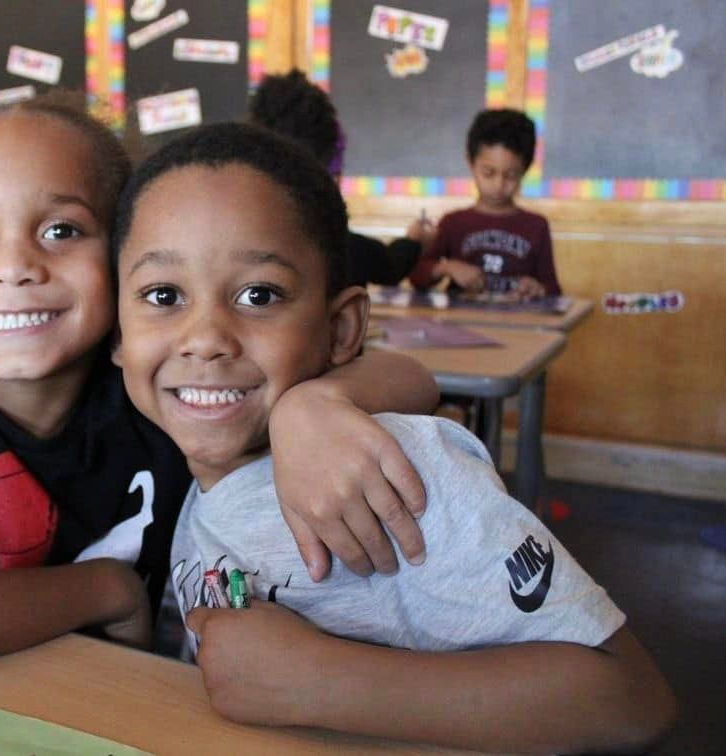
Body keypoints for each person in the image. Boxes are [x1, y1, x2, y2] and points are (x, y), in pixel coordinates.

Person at [0, 93, 440, 681]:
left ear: (122, 262)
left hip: (109, 702)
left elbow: (414, 379)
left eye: (61, 230)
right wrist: (106, 589)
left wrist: (315, 406)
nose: (14, 268)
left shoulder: (157, 384)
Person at [110, 121, 676, 752]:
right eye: (163, 295)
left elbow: (630, 699)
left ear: (341, 329)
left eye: (258, 294)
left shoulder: (397, 473)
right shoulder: (174, 464)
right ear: (117, 334)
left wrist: (323, 682)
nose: (206, 338)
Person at [249, 69, 430, 286]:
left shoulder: (240, 244)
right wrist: (414, 240)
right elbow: (389, 266)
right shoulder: (342, 246)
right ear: (330, 174)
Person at [409, 108, 561, 299]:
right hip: (460, 326)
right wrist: (448, 267)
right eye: (488, 173)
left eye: (511, 175)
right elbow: (417, 276)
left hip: (518, 325)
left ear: (526, 169)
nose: (499, 185)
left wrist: (537, 288)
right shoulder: (453, 223)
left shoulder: (536, 226)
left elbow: (553, 289)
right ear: (470, 163)